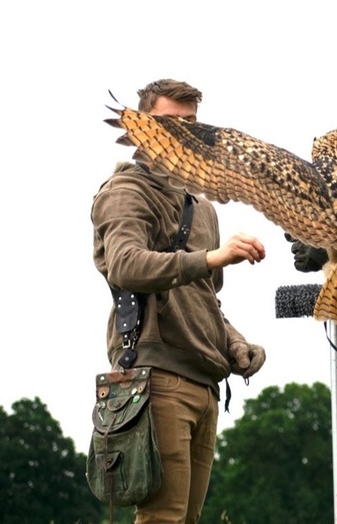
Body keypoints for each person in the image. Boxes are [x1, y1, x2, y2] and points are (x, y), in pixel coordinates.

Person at [91, 78, 268, 523]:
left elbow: (202, 299)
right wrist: (212, 255)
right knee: (163, 519)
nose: (183, 134)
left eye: (191, 124)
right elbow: (126, 265)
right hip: (156, 375)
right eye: (170, 123)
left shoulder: (202, 207)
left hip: (205, 381)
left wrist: (233, 343)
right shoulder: (127, 191)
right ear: (139, 126)